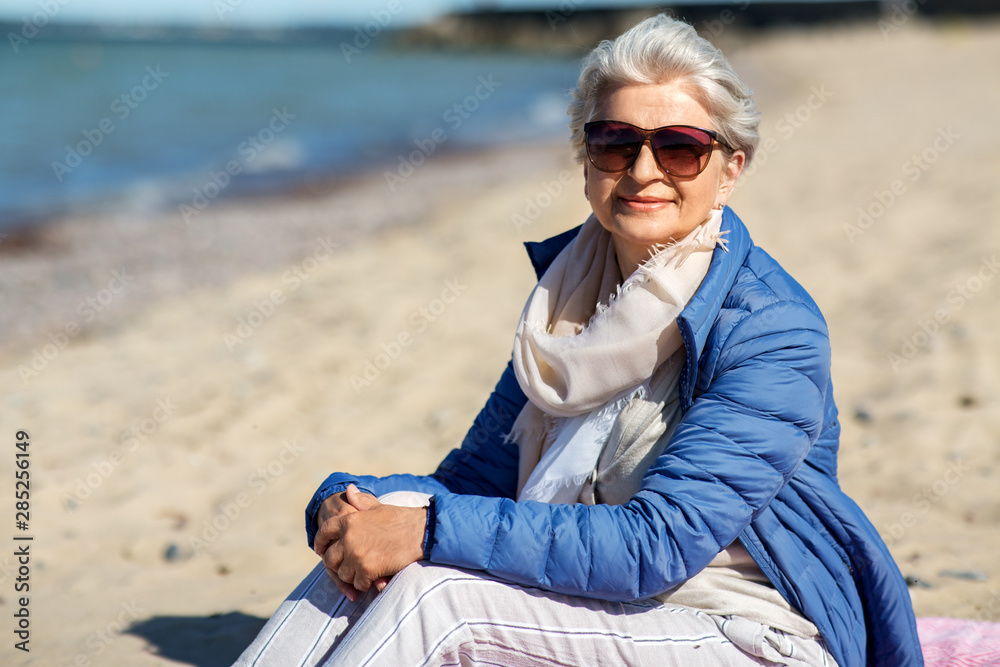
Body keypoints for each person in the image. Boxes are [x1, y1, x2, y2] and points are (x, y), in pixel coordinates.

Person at [235, 13, 922, 667]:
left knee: (434, 589)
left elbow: (656, 545)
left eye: (682, 148)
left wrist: (424, 531)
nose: (645, 169)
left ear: (730, 170)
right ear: (586, 158)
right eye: (616, 142)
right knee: (372, 554)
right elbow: (473, 485)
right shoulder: (564, 308)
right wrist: (345, 504)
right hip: (594, 611)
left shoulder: (773, 330)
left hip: (745, 630)